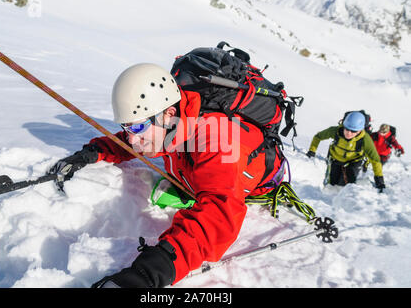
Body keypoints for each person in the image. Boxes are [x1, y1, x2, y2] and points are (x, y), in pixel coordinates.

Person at [48, 63, 286, 288]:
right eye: (126, 128)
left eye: (137, 128)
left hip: (255, 181)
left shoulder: (219, 138)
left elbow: (219, 215)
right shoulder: (172, 121)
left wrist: (150, 272)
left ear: (168, 114)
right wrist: (92, 153)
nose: (131, 138)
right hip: (196, 175)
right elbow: (132, 140)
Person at [306, 111, 385, 190]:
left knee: (347, 185)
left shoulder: (365, 139)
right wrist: (312, 151)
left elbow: (375, 159)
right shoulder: (336, 131)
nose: (349, 133)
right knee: (332, 184)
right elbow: (318, 137)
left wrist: (379, 179)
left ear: (360, 131)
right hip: (335, 158)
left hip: (353, 161)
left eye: (353, 131)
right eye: (347, 129)